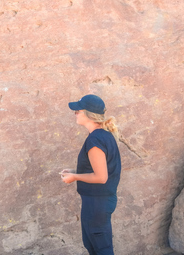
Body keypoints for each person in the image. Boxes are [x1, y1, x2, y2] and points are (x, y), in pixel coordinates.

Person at [60, 94, 121, 255]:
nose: (75, 113)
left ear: (88, 114)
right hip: (99, 202)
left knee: (101, 249)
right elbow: (99, 171)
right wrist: (74, 172)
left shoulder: (95, 140)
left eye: (78, 111)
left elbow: (101, 177)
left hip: (97, 205)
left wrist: (75, 177)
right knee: (94, 246)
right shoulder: (103, 136)